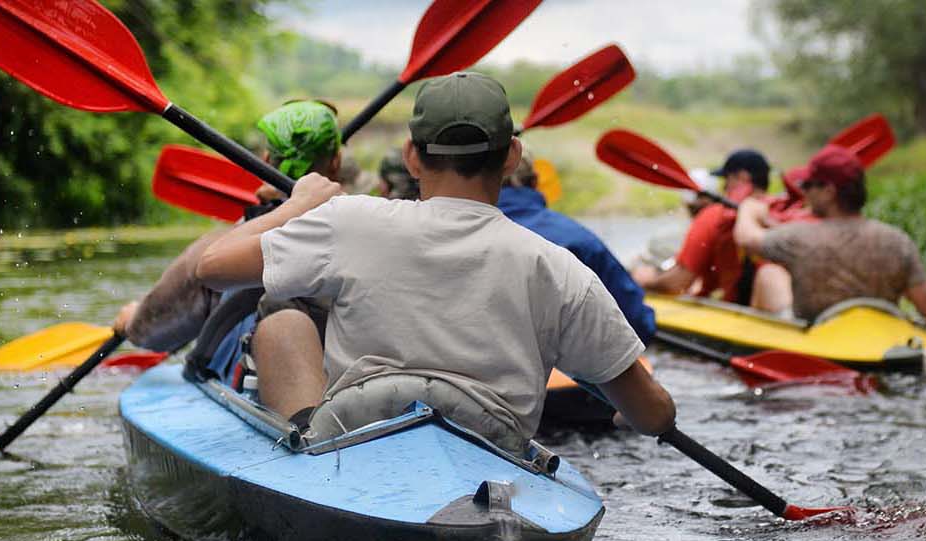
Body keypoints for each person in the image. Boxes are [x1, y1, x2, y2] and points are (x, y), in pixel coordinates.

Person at [195, 72, 675, 452]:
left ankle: (301, 438)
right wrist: (629, 413)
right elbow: (653, 416)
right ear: (511, 156)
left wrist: (296, 206)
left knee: (282, 317)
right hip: (493, 449)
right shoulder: (557, 266)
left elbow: (212, 266)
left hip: (355, 435)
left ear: (411, 158)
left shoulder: (349, 221)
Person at [110, 100, 342, 354]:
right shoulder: (371, 222)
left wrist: (131, 323)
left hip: (256, 379)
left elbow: (152, 333)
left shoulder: (224, 250)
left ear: (265, 159)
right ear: (336, 162)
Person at [731, 145, 926, 324]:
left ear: (829, 192)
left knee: (768, 273)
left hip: (820, 347)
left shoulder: (798, 238)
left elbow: (746, 239)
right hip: (882, 349)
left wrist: (749, 208)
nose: (804, 192)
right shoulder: (897, 242)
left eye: (808, 185)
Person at [498, 152, 656, 343]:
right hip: (565, 364)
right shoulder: (579, 239)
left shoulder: (458, 235)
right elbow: (635, 323)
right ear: (535, 182)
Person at [632, 149, 792, 311]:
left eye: (726, 180)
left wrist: (644, 282)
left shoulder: (714, 215)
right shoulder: (784, 213)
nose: (723, 187)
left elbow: (676, 283)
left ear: (742, 178)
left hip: (740, 316)